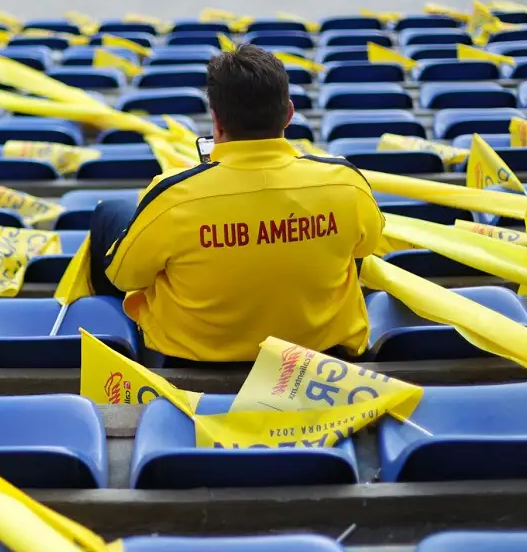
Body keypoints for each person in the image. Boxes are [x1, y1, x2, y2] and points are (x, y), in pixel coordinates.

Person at [87, 44, 385, 365]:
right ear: (288, 114)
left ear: (216, 121)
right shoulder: (345, 182)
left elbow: (124, 278)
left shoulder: (172, 195)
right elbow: (366, 246)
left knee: (110, 214)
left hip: (195, 361)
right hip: (320, 354)